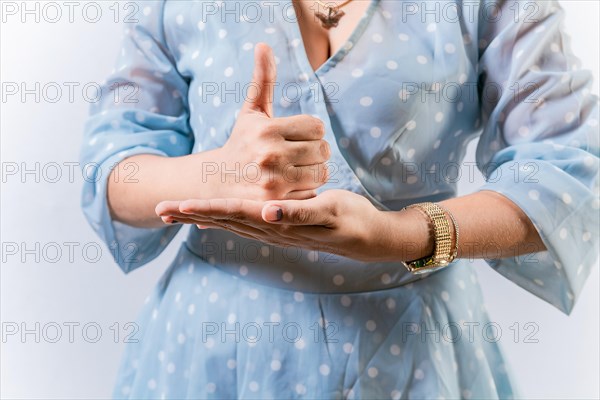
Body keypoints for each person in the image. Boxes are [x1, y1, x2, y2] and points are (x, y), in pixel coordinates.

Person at [80, 0, 599, 398]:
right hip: (210, 348)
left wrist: (401, 235)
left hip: (415, 347)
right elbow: (112, 170)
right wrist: (219, 172)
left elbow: (564, 172)